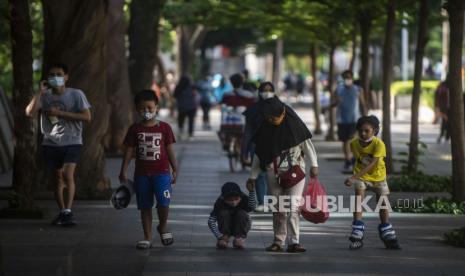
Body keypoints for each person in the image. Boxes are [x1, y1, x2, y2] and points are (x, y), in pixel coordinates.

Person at [246, 96, 318, 253]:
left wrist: (314, 164)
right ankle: (278, 241)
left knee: (293, 206)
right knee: (279, 208)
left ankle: (294, 242)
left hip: (296, 172)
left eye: (274, 117)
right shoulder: (265, 130)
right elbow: (259, 154)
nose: (271, 120)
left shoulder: (296, 127)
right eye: (268, 118)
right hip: (273, 172)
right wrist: (253, 176)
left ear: (283, 112)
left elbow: (307, 145)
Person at [25, 63, 91, 227]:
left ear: (66, 77)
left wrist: (59, 113)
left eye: (59, 74)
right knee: (57, 179)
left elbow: (87, 117)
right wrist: (39, 93)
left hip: (73, 140)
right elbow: (29, 113)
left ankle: (68, 211)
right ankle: (63, 212)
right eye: (52, 75)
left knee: (67, 175)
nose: (55, 78)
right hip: (51, 142)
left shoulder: (76, 94)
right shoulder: (45, 96)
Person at [119, 90, 178, 249]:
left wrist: (175, 169)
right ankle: (147, 237)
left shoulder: (165, 128)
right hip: (142, 175)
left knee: (164, 202)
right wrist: (123, 169)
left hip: (162, 174)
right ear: (137, 109)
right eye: (142, 109)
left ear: (157, 107)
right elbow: (129, 151)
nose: (146, 111)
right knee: (145, 206)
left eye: (150, 108)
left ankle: (163, 225)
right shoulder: (134, 129)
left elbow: (170, 149)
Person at [344, 115, 401, 250]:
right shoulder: (354, 143)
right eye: (360, 131)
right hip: (361, 177)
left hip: (378, 177)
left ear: (375, 130)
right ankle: (357, 228)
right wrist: (355, 176)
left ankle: (386, 229)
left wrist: (353, 177)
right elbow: (356, 158)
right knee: (359, 199)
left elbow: (373, 164)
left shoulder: (379, 144)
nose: (363, 134)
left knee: (382, 204)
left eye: (367, 131)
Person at [242, 82, 276, 211]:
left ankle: (272, 200)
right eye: (264, 90)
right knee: (259, 174)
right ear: (259, 92)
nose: (267, 93)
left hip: (274, 146)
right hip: (256, 146)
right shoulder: (254, 110)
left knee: (273, 174)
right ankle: (262, 202)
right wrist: (244, 152)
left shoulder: (280, 108)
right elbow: (247, 132)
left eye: (270, 90)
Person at [332, 70, 366, 172]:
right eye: (345, 78)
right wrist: (336, 102)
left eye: (349, 77)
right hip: (341, 119)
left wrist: (365, 118)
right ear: (343, 79)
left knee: (351, 139)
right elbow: (332, 104)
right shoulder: (338, 89)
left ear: (352, 78)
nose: (348, 79)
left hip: (354, 119)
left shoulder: (358, 89)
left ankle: (351, 160)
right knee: (344, 141)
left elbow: (363, 103)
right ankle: (348, 160)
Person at [207, 182, 257, 249]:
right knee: (223, 213)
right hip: (225, 226)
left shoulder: (244, 198)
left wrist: (251, 191)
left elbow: (252, 207)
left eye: (236, 199)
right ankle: (224, 238)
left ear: (240, 197)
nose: (234, 203)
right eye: (230, 200)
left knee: (242, 213)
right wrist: (219, 236)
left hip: (240, 225)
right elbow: (211, 221)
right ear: (224, 199)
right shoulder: (220, 202)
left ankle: (238, 238)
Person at [174, 76, 198, 140]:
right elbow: (195, 95)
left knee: (181, 120)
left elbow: (175, 96)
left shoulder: (178, 87)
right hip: (191, 106)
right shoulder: (192, 87)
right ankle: (190, 135)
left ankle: (180, 133)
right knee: (191, 121)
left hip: (182, 106)